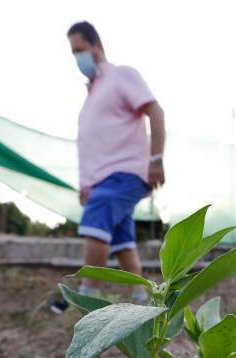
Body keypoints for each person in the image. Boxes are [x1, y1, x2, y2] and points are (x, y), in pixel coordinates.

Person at [50, 21, 165, 314]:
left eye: (81, 50)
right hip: (99, 181)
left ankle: (86, 299)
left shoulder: (121, 76)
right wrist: (86, 185)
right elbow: (92, 146)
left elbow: (155, 111)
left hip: (126, 172)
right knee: (122, 240)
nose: (78, 58)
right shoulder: (91, 97)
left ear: (97, 46)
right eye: (73, 52)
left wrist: (155, 159)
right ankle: (142, 297)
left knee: (99, 214)